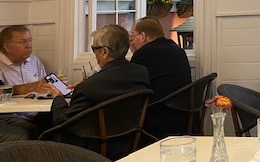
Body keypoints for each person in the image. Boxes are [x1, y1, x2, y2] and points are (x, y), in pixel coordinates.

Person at [48, 24, 150, 153]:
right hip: (128, 143)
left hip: (90, 149)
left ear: (105, 52)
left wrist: (58, 97)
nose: (94, 54)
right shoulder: (142, 73)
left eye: (94, 49)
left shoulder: (89, 87)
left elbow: (62, 121)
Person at [129, 16, 192, 138]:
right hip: (184, 117)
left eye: (133, 36)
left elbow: (131, 86)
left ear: (143, 36)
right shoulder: (178, 50)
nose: (132, 41)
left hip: (158, 118)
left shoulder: (144, 54)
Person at [0, 25, 50, 141]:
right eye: (23, 42)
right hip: (9, 115)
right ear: (7, 47)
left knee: (60, 123)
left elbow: (45, 86)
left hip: (37, 112)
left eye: (30, 41)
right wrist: (28, 88)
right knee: (31, 130)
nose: (29, 46)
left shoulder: (34, 61)